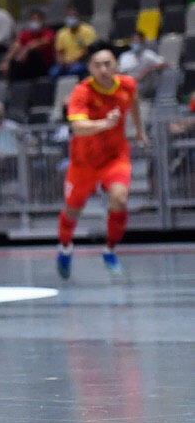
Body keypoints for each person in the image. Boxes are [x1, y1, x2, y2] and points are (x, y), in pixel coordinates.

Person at [57, 44, 147, 280]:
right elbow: (77, 127)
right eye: (97, 65)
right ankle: (65, 247)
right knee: (72, 211)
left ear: (116, 65)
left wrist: (139, 130)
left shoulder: (127, 85)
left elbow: (133, 102)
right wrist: (105, 124)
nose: (103, 69)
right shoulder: (82, 92)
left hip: (114, 157)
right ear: (90, 68)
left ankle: (109, 250)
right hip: (83, 162)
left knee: (120, 197)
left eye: (108, 63)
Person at [0, 9, 54, 81]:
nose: (35, 22)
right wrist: (7, 62)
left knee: (33, 54)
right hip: (28, 66)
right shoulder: (26, 33)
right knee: (14, 62)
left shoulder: (48, 32)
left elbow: (45, 42)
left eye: (37, 19)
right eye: (33, 19)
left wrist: (27, 49)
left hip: (45, 65)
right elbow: (16, 46)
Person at [49, 6, 97, 78]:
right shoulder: (61, 33)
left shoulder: (87, 30)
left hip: (82, 61)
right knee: (53, 72)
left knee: (74, 70)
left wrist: (73, 61)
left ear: (78, 17)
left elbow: (88, 51)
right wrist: (62, 62)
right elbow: (59, 52)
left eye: (73, 15)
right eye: (69, 16)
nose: (71, 18)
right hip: (65, 64)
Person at [117, 31, 167, 97]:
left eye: (139, 41)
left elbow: (164, 64)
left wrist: (148, 70)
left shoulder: (148, 54)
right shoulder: (125, 56)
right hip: (127, 82)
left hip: (143, 83)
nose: (136, 43)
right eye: (134, 41)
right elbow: (120, 71)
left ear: (143, 42)